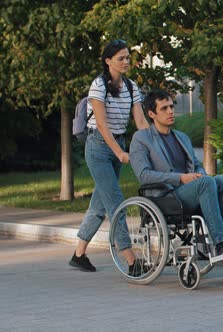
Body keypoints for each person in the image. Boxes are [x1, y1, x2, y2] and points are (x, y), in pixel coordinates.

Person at [129, 89, 223, 261]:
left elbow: (196, 165)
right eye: (164, 108)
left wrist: (200, 174)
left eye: (172, 106)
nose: (171, 111)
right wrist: (180, 178)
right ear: (151, 114)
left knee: (222, 180)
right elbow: (144, 175)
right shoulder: (141, 139)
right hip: (165, 197)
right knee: (206, 183)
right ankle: (221, 244)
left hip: (189, 191)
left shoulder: (182, 137)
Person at [69, 39, 149, 274]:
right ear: (108, 61)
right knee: (115, 201)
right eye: (120, 58)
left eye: (127, 57)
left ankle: (79, 254)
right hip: (98, 147)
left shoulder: (132, 87)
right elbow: (102, 125)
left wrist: (153, 145)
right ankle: (131, 259)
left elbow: (141, 121)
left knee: (100, 204)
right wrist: (119, 153)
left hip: (119, 143)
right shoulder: (98, 86)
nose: (126, 62)